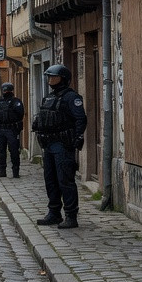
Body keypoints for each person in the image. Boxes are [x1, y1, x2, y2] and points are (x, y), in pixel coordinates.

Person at [33, 64, 88, 229]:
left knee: (65, 180)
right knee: (50, 180)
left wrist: (78, 137)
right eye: (49, 77)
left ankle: (71, 216)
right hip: (48, 144)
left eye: (53, 77)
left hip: (63, 144)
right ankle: (54, 213)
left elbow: (80, 119)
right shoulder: (49, 97)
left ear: (63, 78)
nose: (50, 80)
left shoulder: (72, 97)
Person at [0, 82, 25, 178]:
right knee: (1, 151)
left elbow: (20, 113)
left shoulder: (15, 101)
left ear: (11, 90)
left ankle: (15, 171)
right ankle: (2, 171)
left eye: (7, 90)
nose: (6, 92)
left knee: (14, 150)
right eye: (4, 90)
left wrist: (10, 111)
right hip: (0, 129)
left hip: (12, 129)